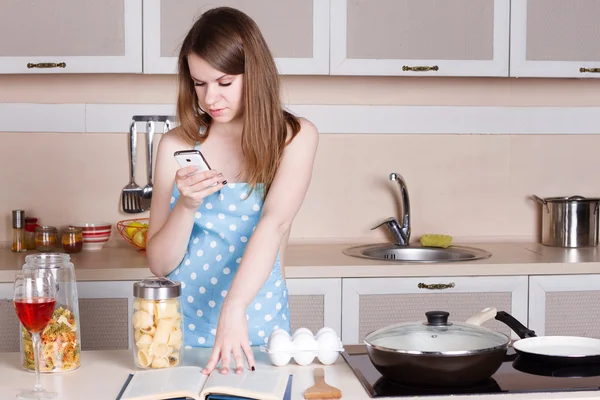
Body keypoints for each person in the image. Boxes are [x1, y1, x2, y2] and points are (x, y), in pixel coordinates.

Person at [145, 6, 319, 376]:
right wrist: (187, 205)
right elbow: (159, 264)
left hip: (255, 326)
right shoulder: (175, 144)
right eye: (199, 83)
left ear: (254, 75)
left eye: (224, 83)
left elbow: (273, 225)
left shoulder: (293, 137)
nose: (211, 98)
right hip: (178, 333)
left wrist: (233, 307)